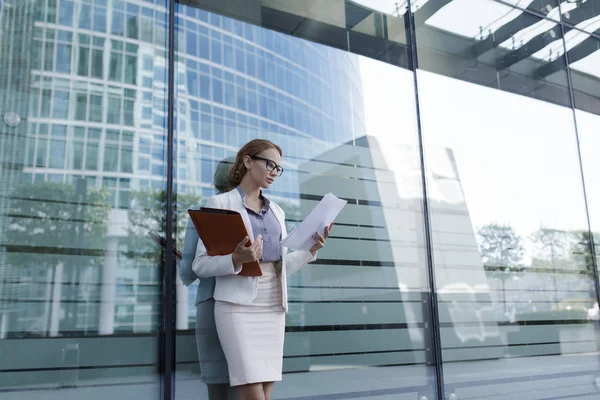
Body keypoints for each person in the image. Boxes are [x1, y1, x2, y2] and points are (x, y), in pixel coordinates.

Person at [192, 139, 333, 400]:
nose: (273, 172)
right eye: (269, 164)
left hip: (272, 304)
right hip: (236, 306)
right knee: (252, 393)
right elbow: (200, 265)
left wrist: (310, 250)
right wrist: (235, 258)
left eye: (278, 168)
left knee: (266, 393)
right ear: (247, 161)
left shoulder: (277, 211)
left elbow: (280, 267)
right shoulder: (219, 203)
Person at [180, 156, 238, 400]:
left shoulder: (202, 214)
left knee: (216, 383)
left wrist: (184, 260)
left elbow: (187, 272)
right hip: (243, 302)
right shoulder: (251, 213)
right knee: (243, 379)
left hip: (210, 302)